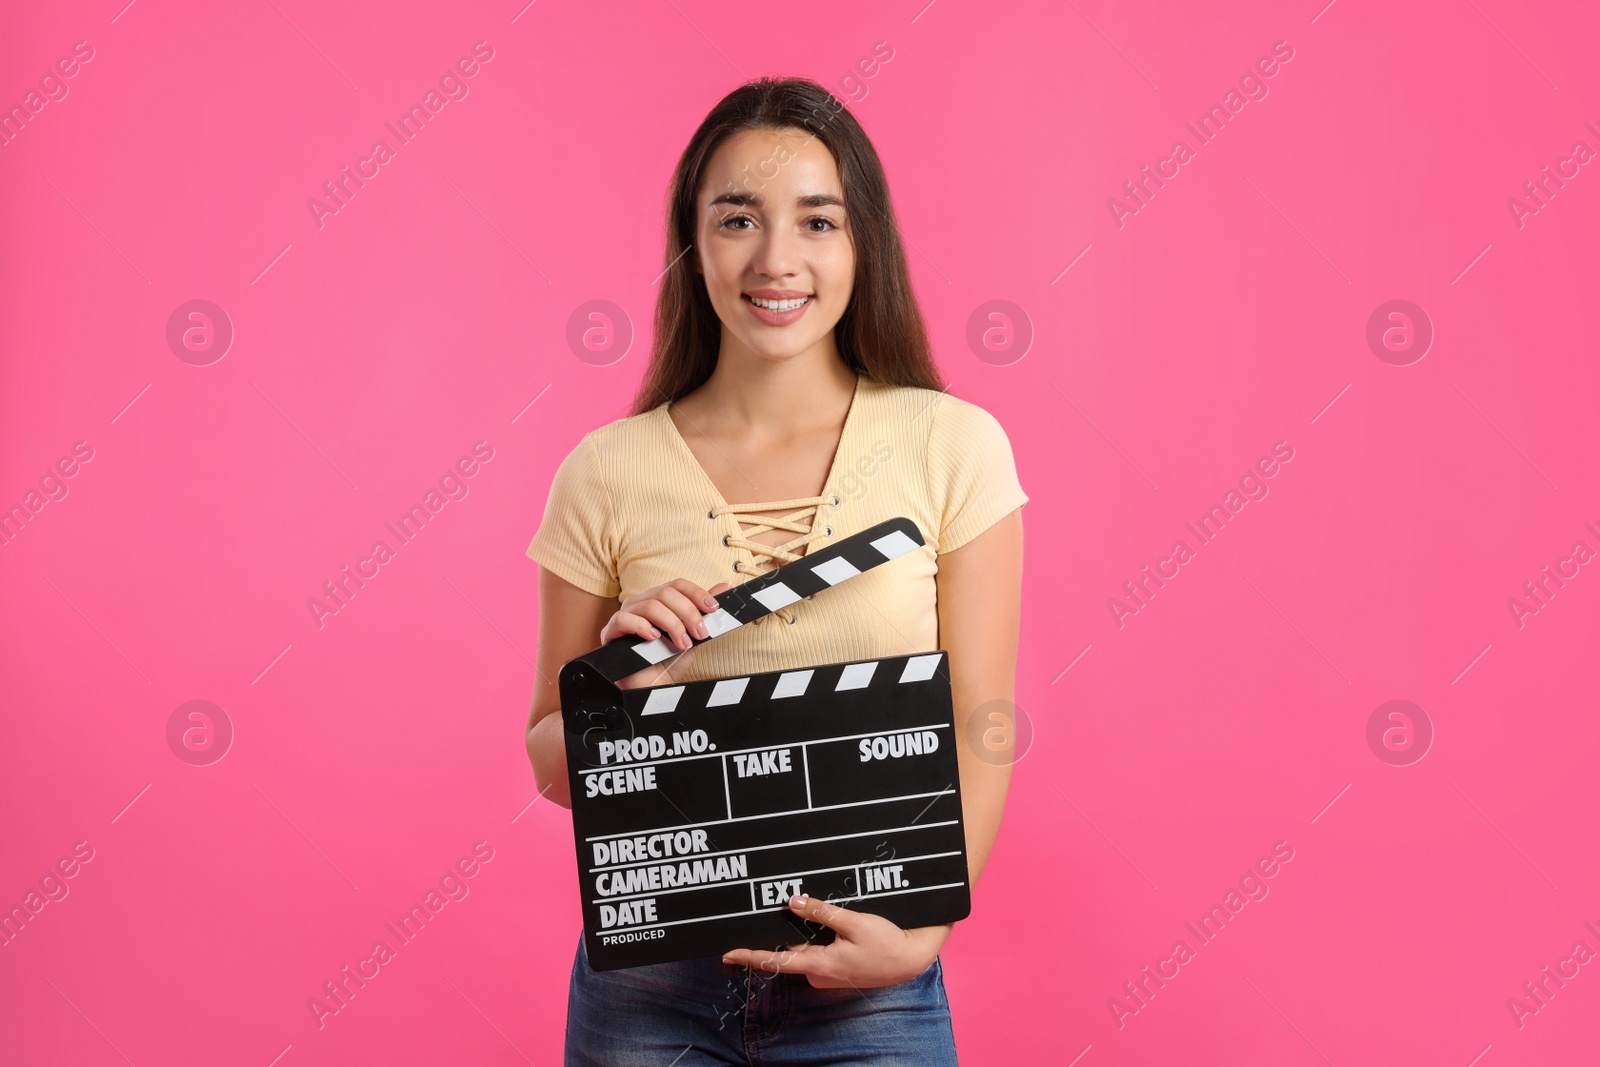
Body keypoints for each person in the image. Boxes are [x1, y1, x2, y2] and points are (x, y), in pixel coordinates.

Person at [524, 75, 1027, 1066]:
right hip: (651, 983)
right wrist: (621, 697)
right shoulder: (604, 470)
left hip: (870, 970)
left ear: (860, 241)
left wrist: (921, 934)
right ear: (692, 240)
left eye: (817, 219)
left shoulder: (951, 447)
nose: (775, 258)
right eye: (737, 218)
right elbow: (546, 755)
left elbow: (981, 718)